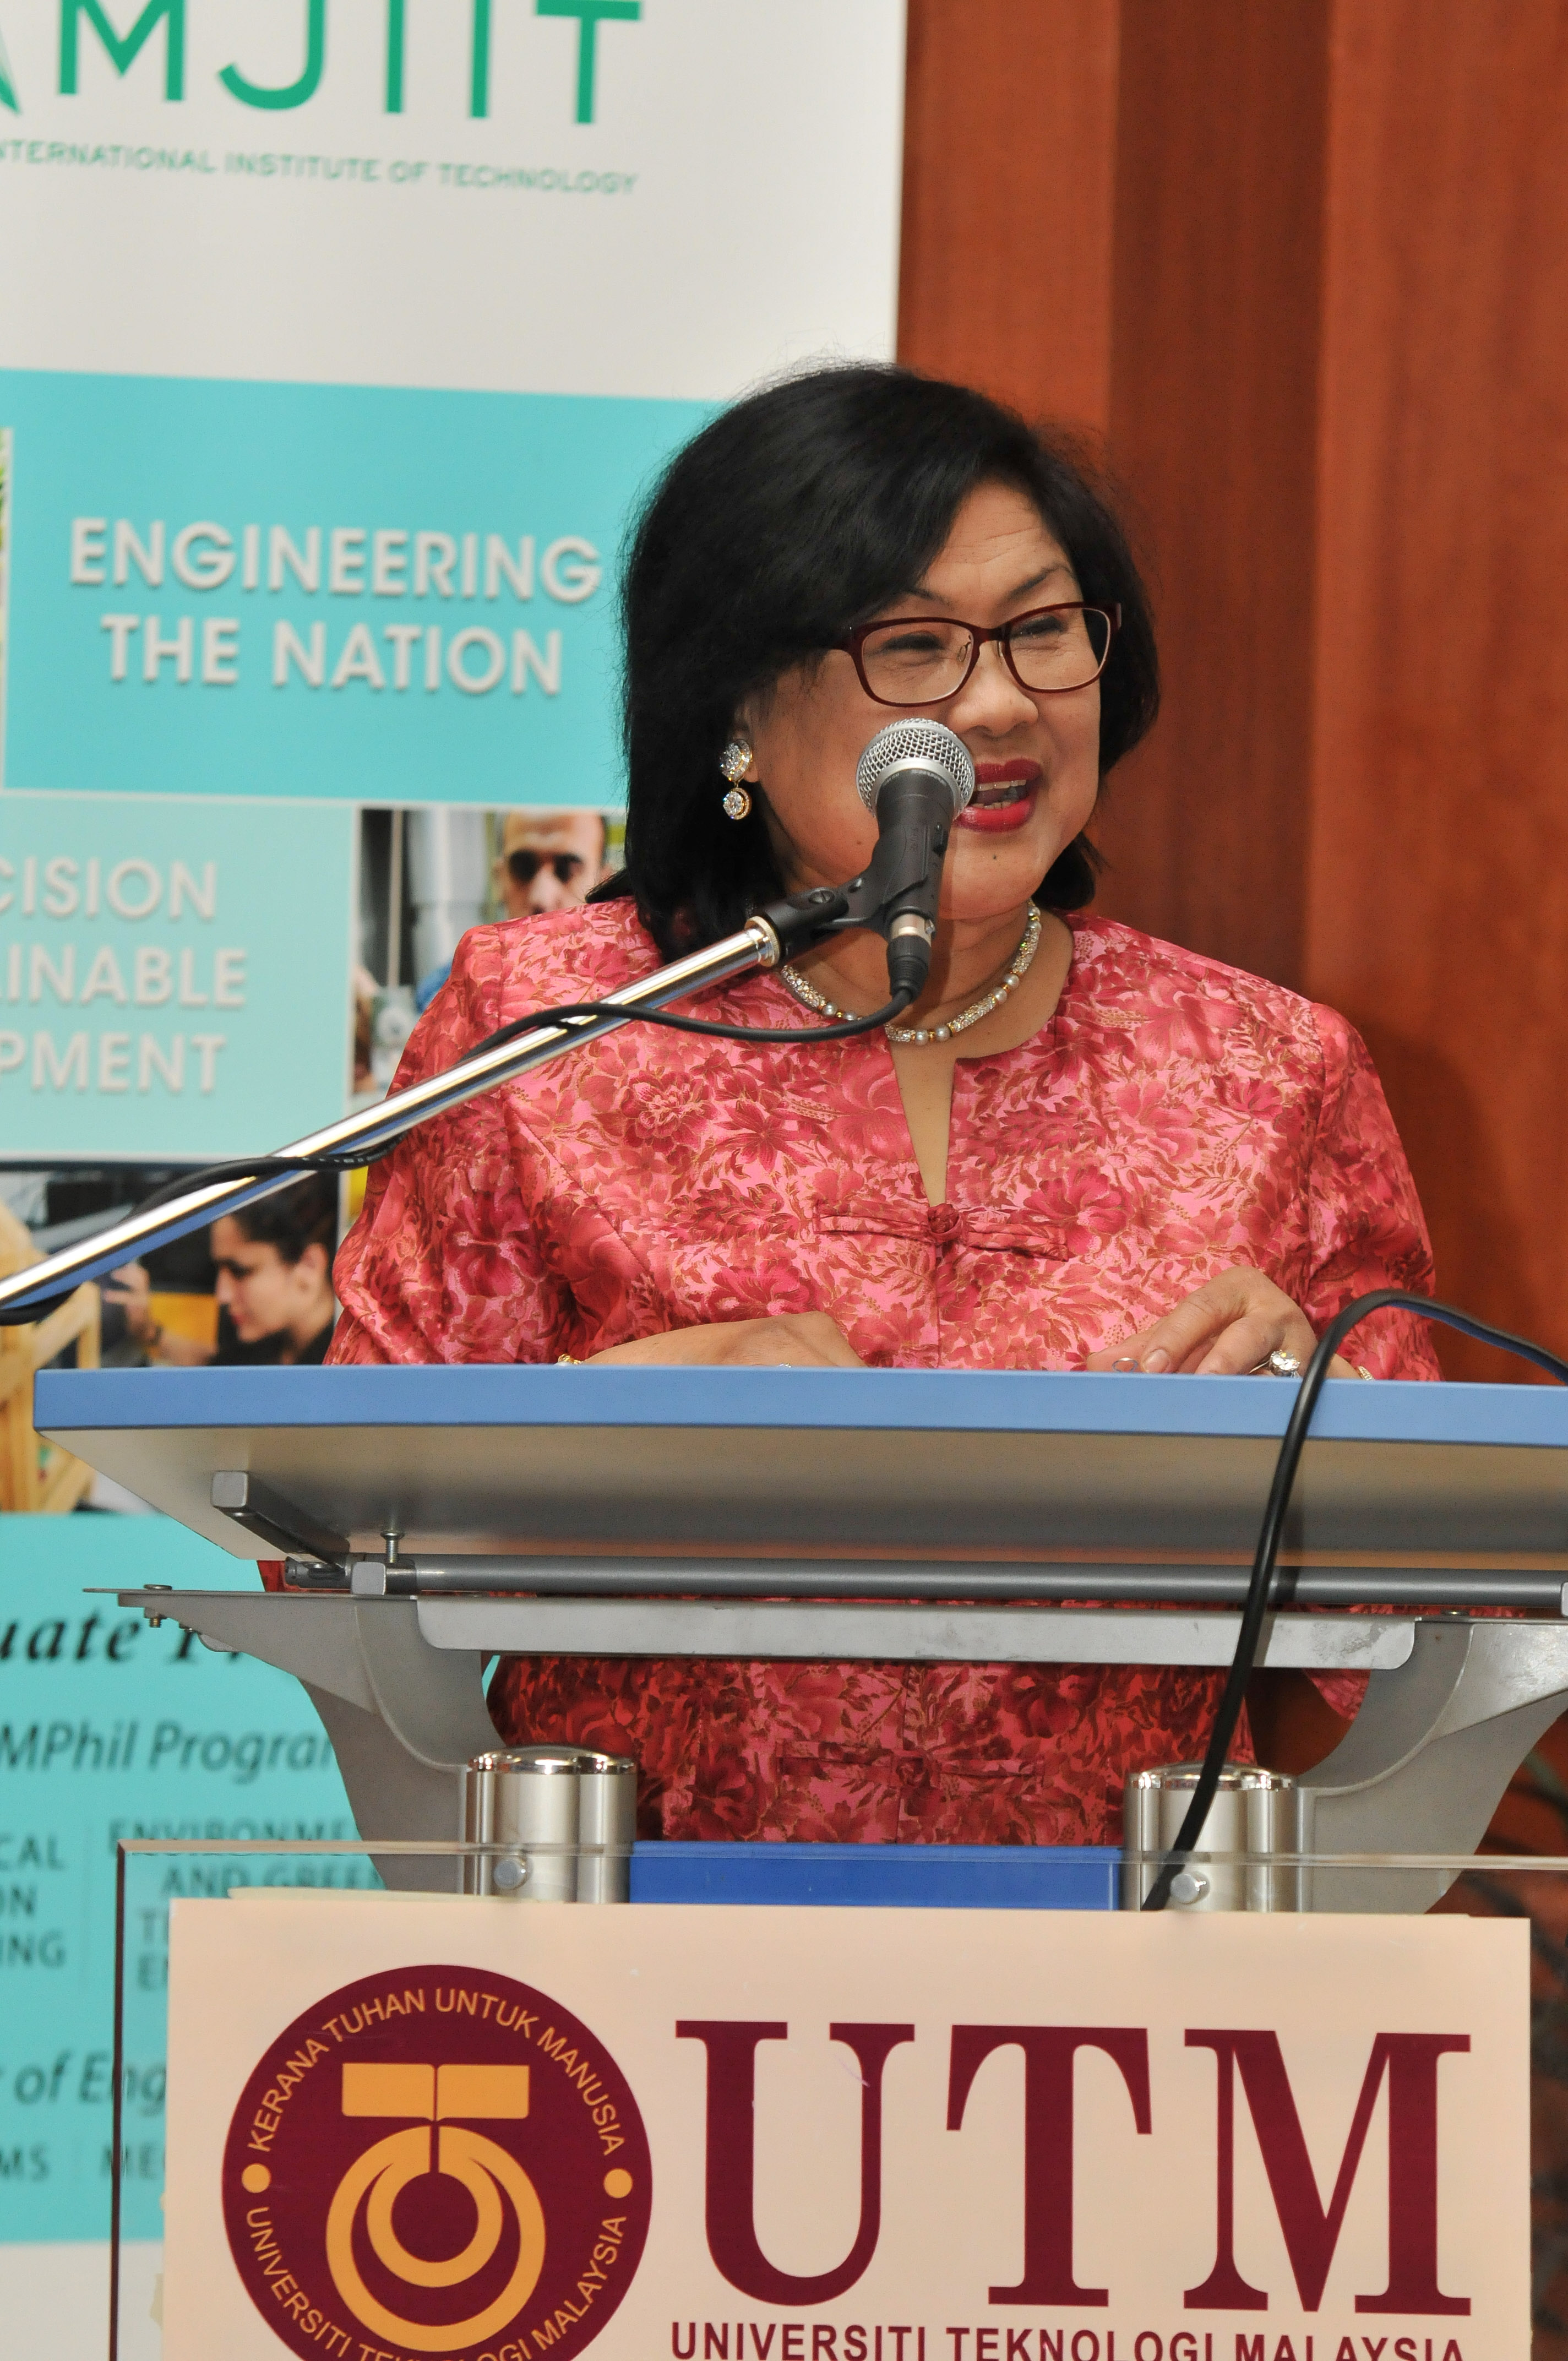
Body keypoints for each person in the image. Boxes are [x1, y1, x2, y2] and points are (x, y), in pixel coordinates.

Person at [328, 365, 1438, 1846]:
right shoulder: (543, 1029)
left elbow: (1429, 1613)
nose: (998, 702)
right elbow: (341, 1542)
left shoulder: (1268, 1067)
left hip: (1132, 1946)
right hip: (632, 1938)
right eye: (911, 646)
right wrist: (600, 1417)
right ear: (736, 705)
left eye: (1042, 630)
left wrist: (1321, 1414)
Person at [108, 1173, 339, 1367]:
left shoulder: (348, 1365)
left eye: (240, 1271)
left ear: (309, 1266)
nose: (223, 1296)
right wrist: (149, 1332)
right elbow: (219, 1365)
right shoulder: (273, 1341)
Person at [413, 809, 611, 1014]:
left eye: (567, 869)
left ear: (604, 884)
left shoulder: (628, 992)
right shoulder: (447, 995)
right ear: (499, 879)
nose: (541, 897)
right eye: (523, 867)